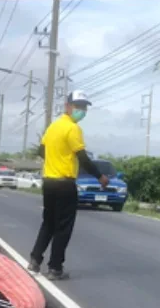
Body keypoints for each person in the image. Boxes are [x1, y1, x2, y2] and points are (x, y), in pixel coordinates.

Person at [29, 91, 108, 281]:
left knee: (48, 223)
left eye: (84, 107)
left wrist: (54, 161)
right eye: (78, 106)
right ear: (67, 106)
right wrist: (100, 176)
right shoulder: (73, 129)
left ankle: (35, 259)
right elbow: (83, 158)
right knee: (63, 228)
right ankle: (55, 268)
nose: (81, 110)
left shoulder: (53, 127)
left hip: (49, 182)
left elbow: (41, 150)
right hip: (65, 184)